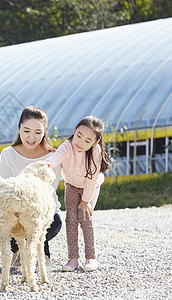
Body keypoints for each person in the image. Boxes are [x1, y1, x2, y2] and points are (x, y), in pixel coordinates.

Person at [0, 106, 62, 272]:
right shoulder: (7, 154)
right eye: (26, 130)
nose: (31, 137)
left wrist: (30, 209)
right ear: (19, 129)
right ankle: (19, 251)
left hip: (41, 210)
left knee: (49, 221)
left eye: (38, 132)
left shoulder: (53, 156)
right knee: (12, 221)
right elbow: (5, 187)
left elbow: (49, 191)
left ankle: (40, 253)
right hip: (16, 210)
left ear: (45, 132)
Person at [43, 115, 110, 272]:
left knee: (85, 218)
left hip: (90, 187)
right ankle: (73, 258)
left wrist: (85, 201)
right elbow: (57, 156)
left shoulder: (96, 152)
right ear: (75, 131)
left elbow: (93, 179)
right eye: (79, 136)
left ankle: (91, 258)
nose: (80, 142)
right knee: (71, 219)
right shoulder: (67, 146)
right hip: (72, 185)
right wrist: (48, 163)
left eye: (88, 141)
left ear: (95, 142)